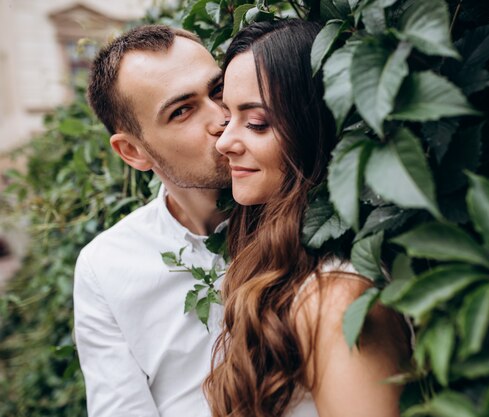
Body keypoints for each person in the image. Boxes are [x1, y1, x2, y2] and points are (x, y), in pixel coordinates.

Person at [206, 19, 410, 417]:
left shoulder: (338, 301)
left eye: (256, 123)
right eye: (227, 116)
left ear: (313, 128)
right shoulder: (281, 271)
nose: (226, 142)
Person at [74, 25, 230, 417]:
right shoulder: (106, 268)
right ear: (133, 151)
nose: (222, 119)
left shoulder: (313, 211)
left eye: (217, 91)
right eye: (182, 111)